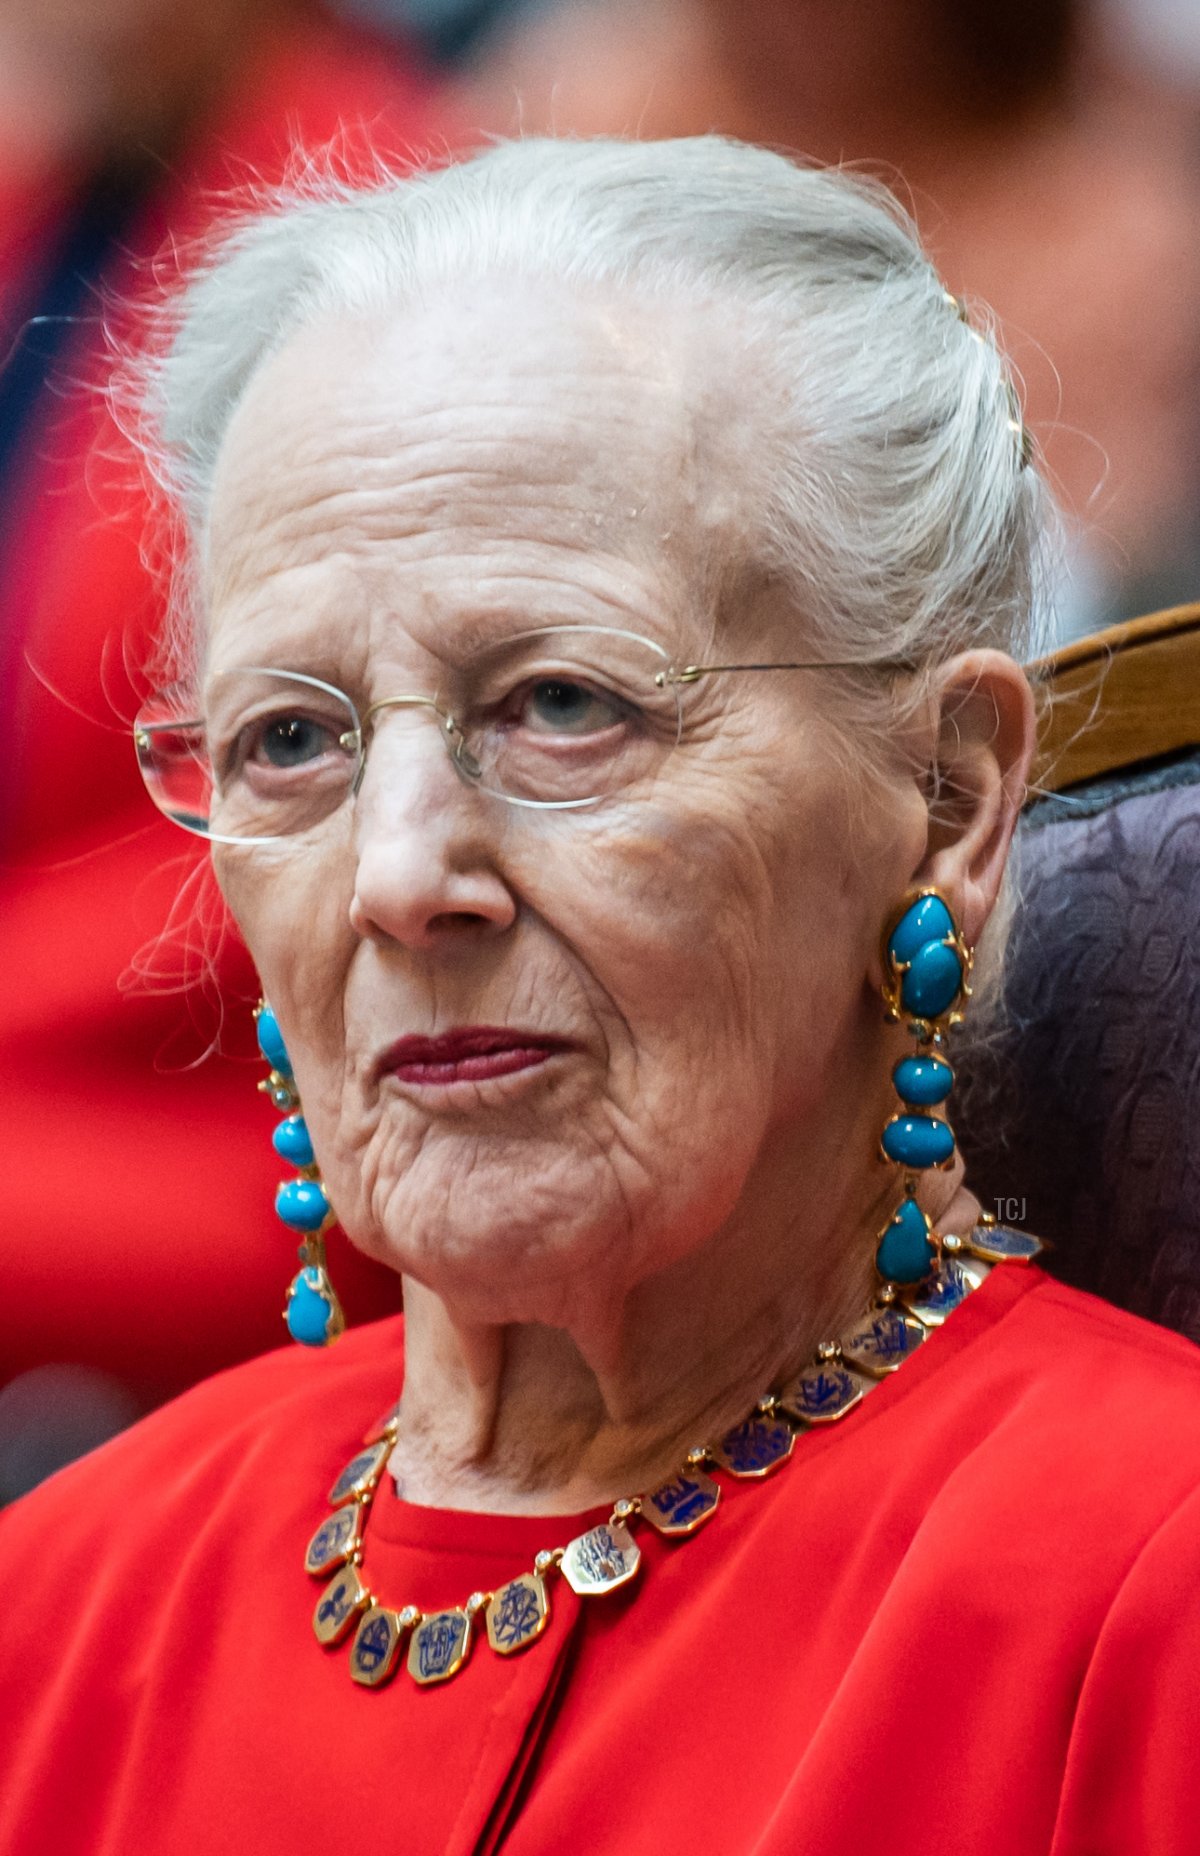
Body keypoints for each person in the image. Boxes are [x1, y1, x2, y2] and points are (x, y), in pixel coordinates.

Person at [2, 137, 1199, 1855]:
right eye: (292, 740)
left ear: (945, 798)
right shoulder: (55, 1611)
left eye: (562, 705)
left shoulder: (1147, 1609)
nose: (401, 874)